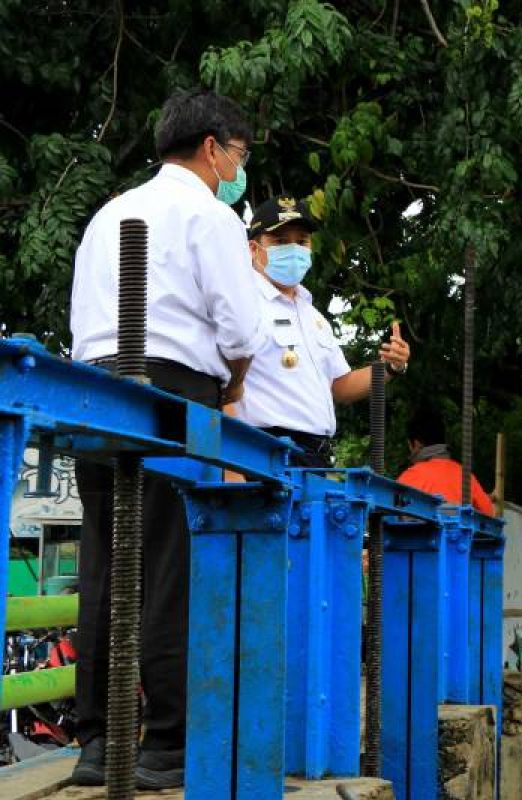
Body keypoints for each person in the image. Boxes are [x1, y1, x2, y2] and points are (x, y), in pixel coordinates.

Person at [69, 89, 266, 789]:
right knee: (169, 563)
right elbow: (244, 332)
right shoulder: (209, 216)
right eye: (239, 156)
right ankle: (166, 745)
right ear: (212, 147)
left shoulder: (107, 216)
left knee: (105, 563)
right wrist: (235, 386)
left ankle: (95, 743)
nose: (238, 171)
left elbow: (79, 324)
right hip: (173, 389)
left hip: (95, 388)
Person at [229, 196, 411, 466]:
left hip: (316, 456)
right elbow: (223, 384)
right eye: (280, 242)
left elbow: (340, 386)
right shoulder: (241, 302)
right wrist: (231, 463)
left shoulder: (314, 317)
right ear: (254, 249)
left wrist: (390, 367)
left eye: (301, 241)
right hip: (264, 451)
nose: (293, 249)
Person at [396, 406, 495, 515]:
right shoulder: (466, 477)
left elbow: (393, 516)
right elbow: (488, 515)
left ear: (416, 444)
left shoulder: (409, 478)